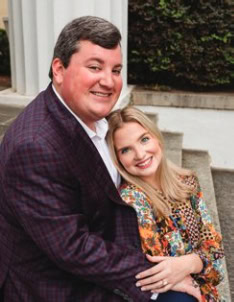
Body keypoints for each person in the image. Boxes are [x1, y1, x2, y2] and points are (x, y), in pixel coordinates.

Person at [0, 16, 158, 302]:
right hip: (56, 285)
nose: (109, 82)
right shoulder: (35, 146)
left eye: (116, 69)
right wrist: (156, 273)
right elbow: (73, 247)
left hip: (109, 253)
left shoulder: (99, 121)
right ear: (59, 70)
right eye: (95, 67)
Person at [107, 106, 225, 302]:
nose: (140, 154)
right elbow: (160, 271)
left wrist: (191, 262)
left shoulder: (186, 182)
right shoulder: (131, 200)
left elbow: (217, 256)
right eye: (126, 150)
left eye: (144, 139)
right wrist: (200, 264)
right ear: (118, 159)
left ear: (156, 138)